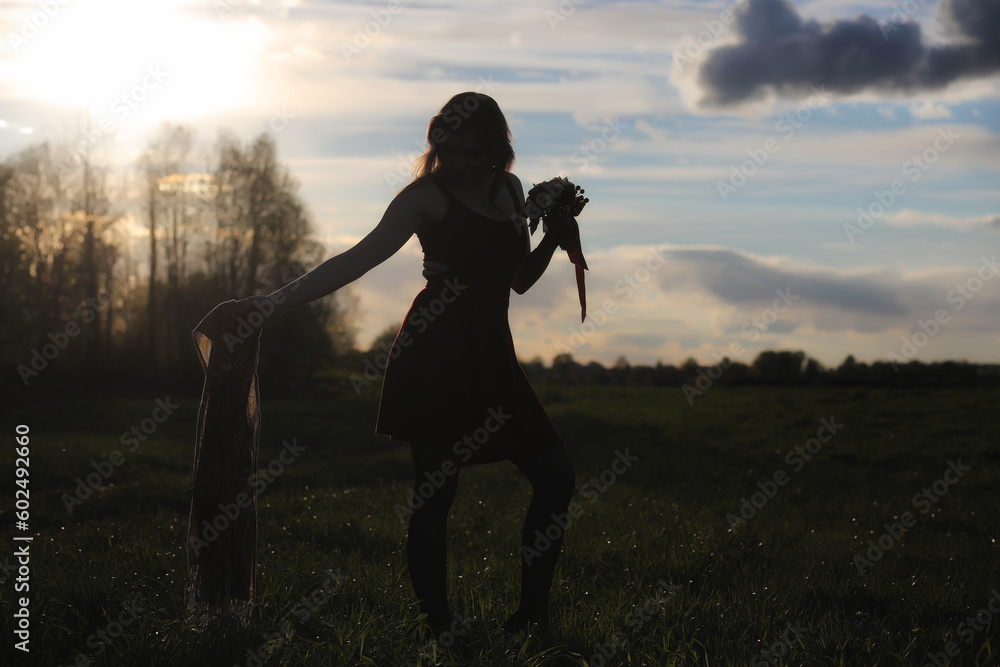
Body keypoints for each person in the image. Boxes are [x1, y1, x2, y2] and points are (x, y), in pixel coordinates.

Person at [235, 92, 579, 643]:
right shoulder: (424, 198)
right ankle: (438, 628)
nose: (459, 163)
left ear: (497, 150)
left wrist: (553, 239)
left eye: (472, 152)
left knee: (556, 479)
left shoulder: (510, 190)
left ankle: (531, 617)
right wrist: (268, 305)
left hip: (492, 354)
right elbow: (354, 260)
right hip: (435, 352)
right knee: (436, 492)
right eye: (448, 150)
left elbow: (517, 280)